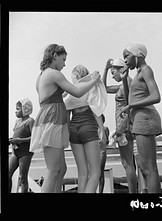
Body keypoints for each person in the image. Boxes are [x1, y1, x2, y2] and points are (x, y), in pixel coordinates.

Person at [29, 44, 100, 193]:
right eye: (63, 59)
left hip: (48, 117)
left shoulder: (41, 76)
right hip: (53, 120)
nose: (65, 64)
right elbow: (77, 91)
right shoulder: (54, 74)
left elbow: (49, 98)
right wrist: (93, 80)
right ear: (55, 55)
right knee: (53, 170)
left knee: (61, 169)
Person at [120, 42, 162, 193]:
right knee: (145, 167)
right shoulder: (137, 73)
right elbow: (129, 100)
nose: (124, 60)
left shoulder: (146, 70)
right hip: (139, 120)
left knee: (149, 167)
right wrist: (125, 79)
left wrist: (131, 106)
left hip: (146, 119)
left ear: (137, 54)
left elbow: (156, 96)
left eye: (126, 56)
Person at [64, 64, 107, 193]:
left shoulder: (69, 94)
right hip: (88, 127)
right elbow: (96, 111)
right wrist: (102, 130)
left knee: (82, 174)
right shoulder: (90, 89)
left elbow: (67, 119)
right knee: (95, 173)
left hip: (73, 129)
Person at [102, 58, 137, 193]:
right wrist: (105, 69)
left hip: (125, 127)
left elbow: (129, 108)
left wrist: (120, 129)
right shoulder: (124, 84)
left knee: (127, 163)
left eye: (112, 72)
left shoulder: (127, 83)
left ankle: (133, 193)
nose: (112, 75)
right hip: (124, 126)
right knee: (128, 163)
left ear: (121, 69)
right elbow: (104, 88)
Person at [9, 98, 34, 193]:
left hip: (25, 153)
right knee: (8, 174)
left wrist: (19, 140)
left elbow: (34, 138)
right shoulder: (17, 121)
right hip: (15, 152)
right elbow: (16, 135)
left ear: (25, 109)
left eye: (18, 108)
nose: (16, 111)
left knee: (23, 177)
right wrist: (13, 140)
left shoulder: (30, 121)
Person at [98, 114, 110, 193]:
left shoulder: (105, 129)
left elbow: (107, 141)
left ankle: (101, 191)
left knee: (100, 172)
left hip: (102, 151)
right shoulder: (92, 129)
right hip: (94, 152)